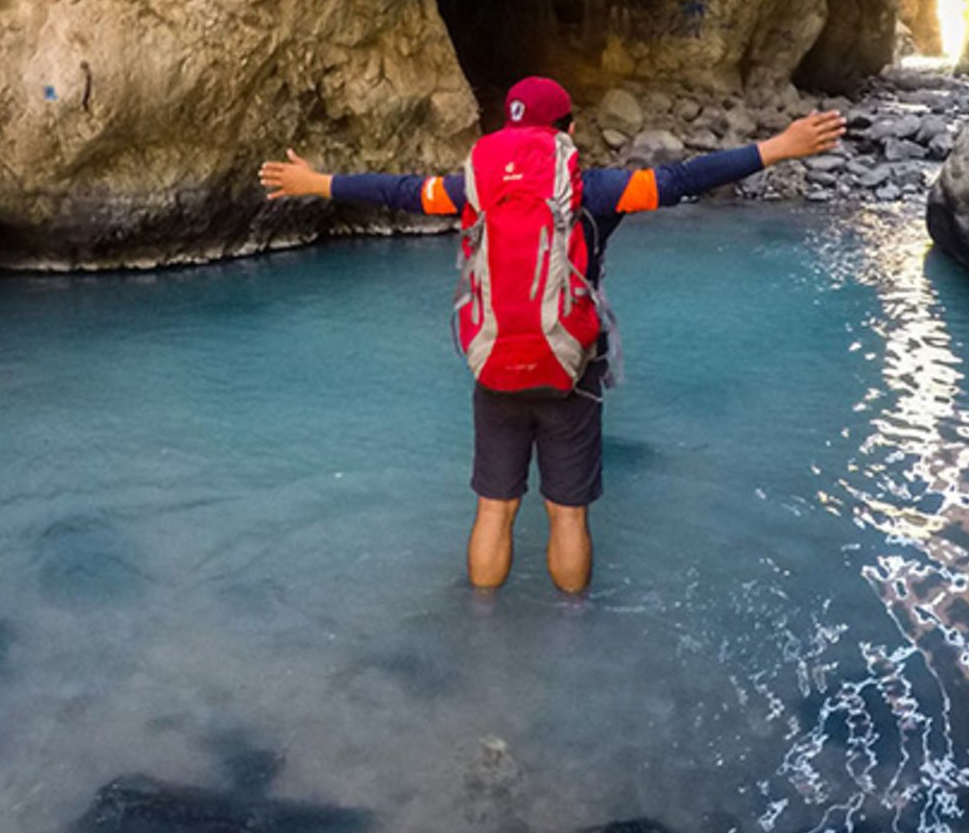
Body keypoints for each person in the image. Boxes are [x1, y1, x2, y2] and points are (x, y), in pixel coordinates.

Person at [259, 75, 844, 595]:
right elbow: (683, 179)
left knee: (494, 508)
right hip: (571, 369)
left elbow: (399, 191)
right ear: (568, 128)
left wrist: (316, 183)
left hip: (494, 366)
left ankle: (483, 630)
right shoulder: (596, 190)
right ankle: (572, 640)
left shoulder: (473, 192)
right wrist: (778, 148)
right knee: (567, 515)